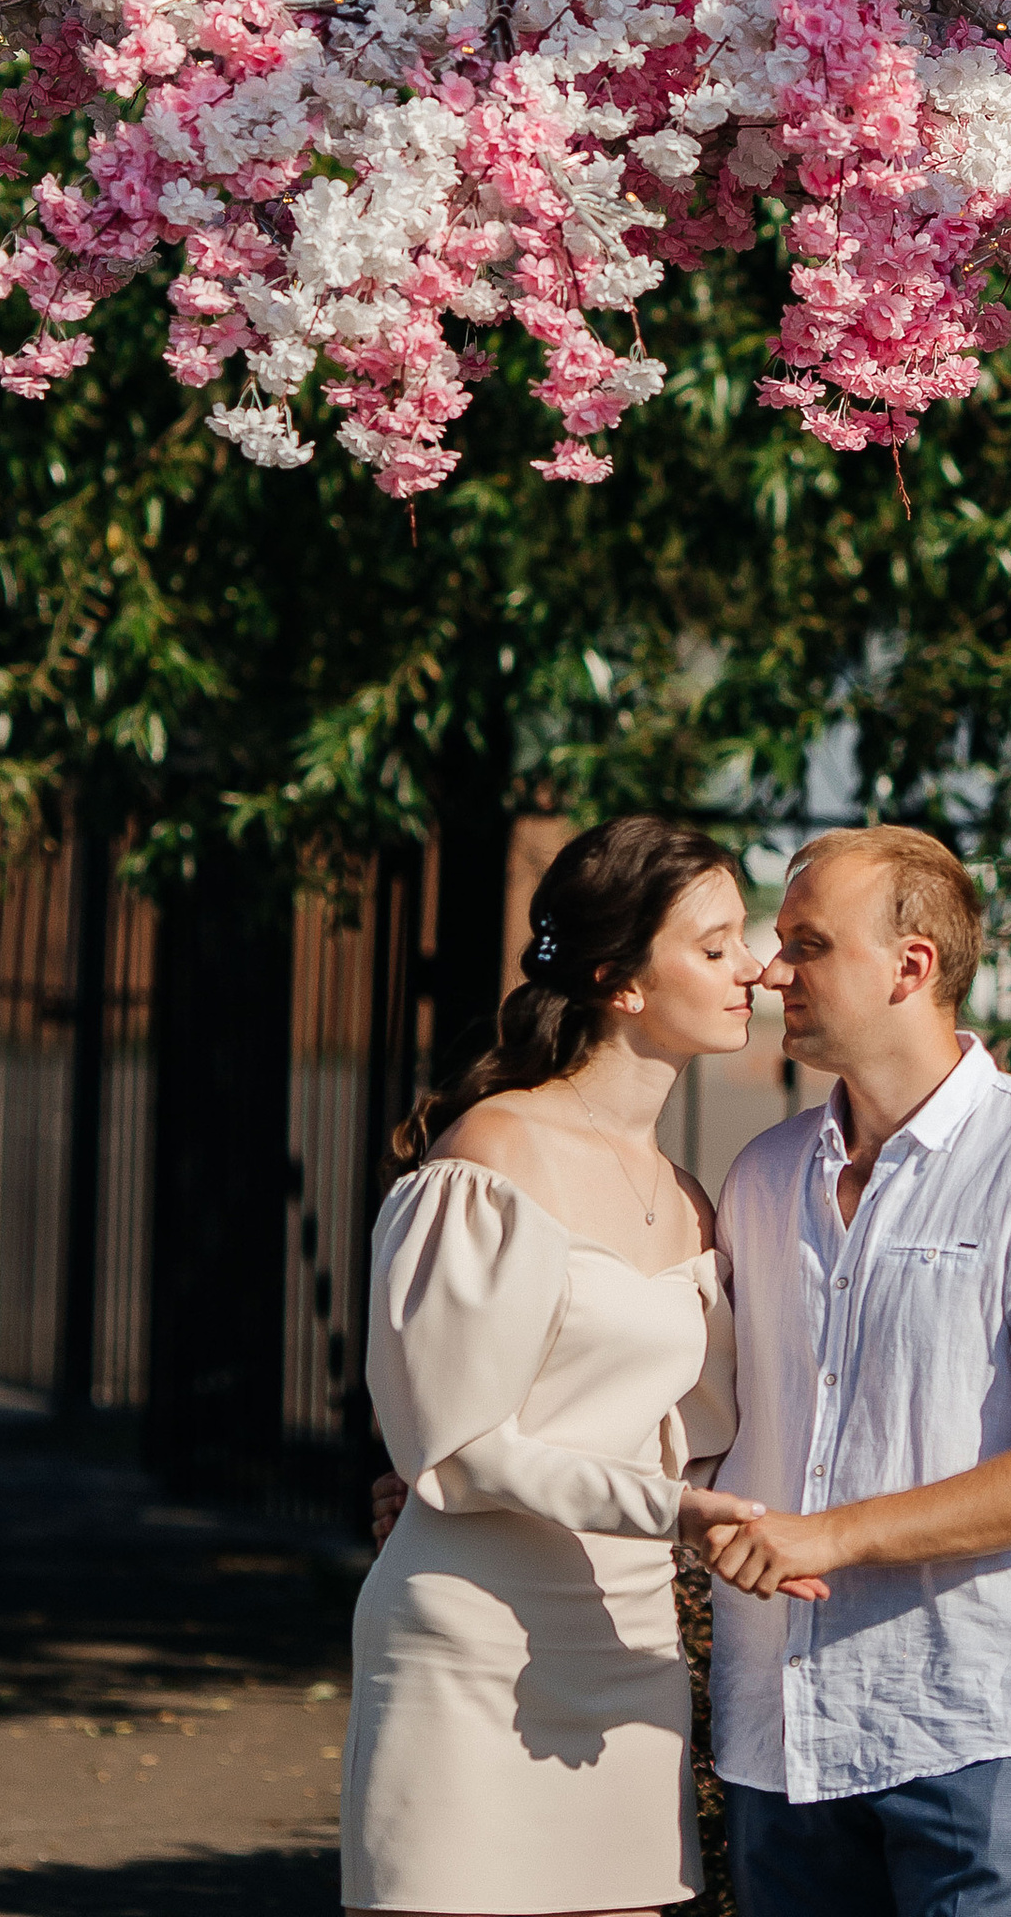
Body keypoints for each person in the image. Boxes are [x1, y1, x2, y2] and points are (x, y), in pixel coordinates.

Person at [345, 813, 814, 1917]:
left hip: (631, 1646)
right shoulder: (491, 1156)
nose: (751, 964)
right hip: (470, 1643)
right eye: (712, 946)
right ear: (620, 981)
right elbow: (453, 1450)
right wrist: (674, 1512)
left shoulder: (697, 1199)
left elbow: (694, 1438)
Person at [700, 826, 1011, 1917]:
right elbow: (695, 1418)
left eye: (806, 944)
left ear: (911, 967)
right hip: (780, 1732)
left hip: (966, 1731)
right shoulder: (761, 1178)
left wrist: (831, 1535)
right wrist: (475, 1486)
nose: (772, 972)